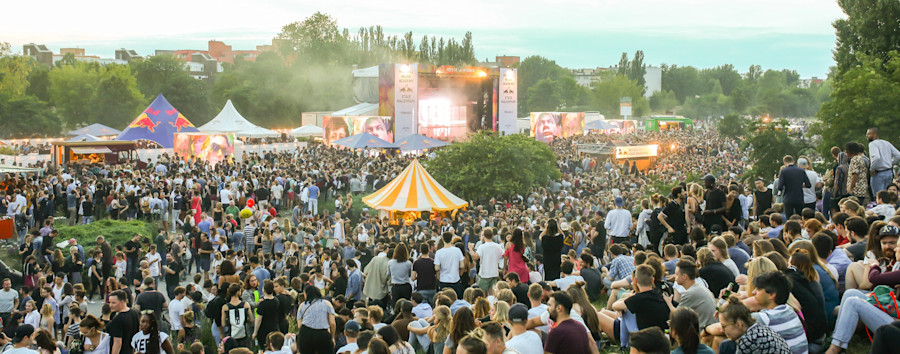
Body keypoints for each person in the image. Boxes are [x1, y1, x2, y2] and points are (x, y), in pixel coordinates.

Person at [751, 271, 808, 354]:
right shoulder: (789, 310)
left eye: (758, 289)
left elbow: (729, 325)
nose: (753, 292)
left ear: (771, 295)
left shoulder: (765, 318)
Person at [717, 296, 790, 354]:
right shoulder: (761, 328)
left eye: (724, 326)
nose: (722, 330)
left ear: (739, 324)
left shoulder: (747, 341)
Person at [664, 258, 717, 328]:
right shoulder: (699, 288)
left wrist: (668, 302)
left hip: (703, 332)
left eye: (676, 274)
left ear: (684, 276)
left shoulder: (691, 293)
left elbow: (677, 314)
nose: (674, 277)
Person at [297, 285, 336, 354]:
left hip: (306, 332)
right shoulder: (327, 303)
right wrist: (332, 336)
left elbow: (299, 325)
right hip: (322, 334)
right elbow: (332, 323)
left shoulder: (302, 305)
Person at [470, 228, 504, 294]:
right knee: (492, 293)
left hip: (484, 273)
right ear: (492, 236)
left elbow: (475, 257)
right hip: (494, 272)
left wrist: (470, 249)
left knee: (482, 293)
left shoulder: (482, 247)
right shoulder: (497, 246)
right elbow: (503, 254)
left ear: (484, 236)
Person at [866, 127, 900, 195]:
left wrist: (872, 169)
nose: (867, 136)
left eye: (869, 134)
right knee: (888, 196)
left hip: (878, 173)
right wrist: (890, 163)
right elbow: (898, 155)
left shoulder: (872, 144)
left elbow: (876, 157)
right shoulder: (886, 143)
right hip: (888, 172)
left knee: (879, 196)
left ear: (875, 134)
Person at [108, 290, 140, 354]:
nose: (110, 305)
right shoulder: (134, 312)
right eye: (110, 302)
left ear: (122, 302)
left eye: (113, 303)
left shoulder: (117, 320)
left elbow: (117, 343)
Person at [434, 232, 465, 299]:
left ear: (442, 239)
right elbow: (462, 265)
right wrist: (459, 273)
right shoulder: (457, 250)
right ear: (451, 239)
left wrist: (438, 276)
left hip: (443, 280)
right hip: (455, 279)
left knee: (444, 299)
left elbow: (436, 268)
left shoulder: (439, 252)